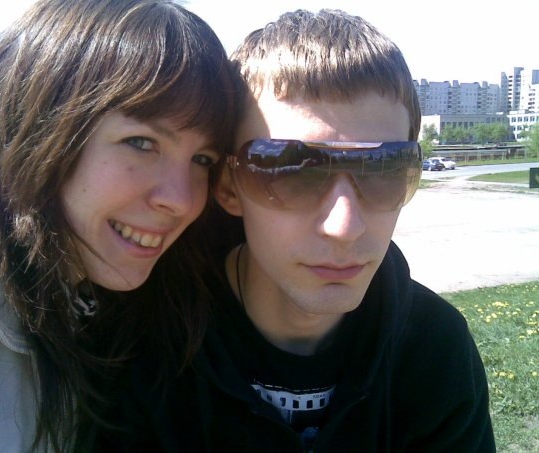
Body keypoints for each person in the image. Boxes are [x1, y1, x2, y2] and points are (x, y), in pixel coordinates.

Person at [98, 8, 496, 452]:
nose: (344, 227)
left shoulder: (435, 347)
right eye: (291, 170)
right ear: (228, 186)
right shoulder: (144, 347)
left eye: (384, 168)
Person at [0, 0, 241, 451]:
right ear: (43, 123)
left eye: (202, 159)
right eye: (141, 143)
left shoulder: (130, 297)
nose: (181, 201)